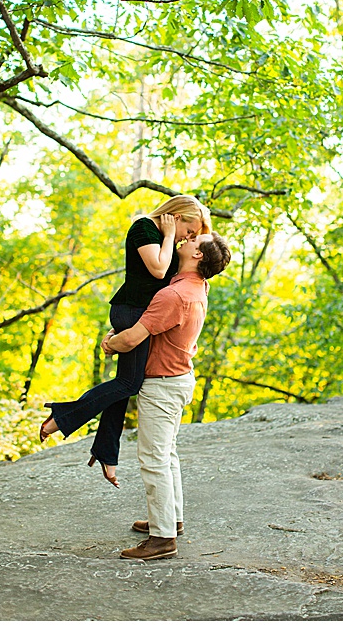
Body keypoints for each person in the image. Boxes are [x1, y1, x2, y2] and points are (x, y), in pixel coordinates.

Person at [37, 195, 210, 486]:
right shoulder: (145, 228)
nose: (186, 238)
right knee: (129, 383)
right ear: (177, 216)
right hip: (132, 312)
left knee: (125, 384)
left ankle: (106, 452)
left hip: (141, 315)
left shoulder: (168, 239)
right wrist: (170, 235)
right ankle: (64, 417)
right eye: (188, 231)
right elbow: (158, 269)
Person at [105, 229, 231, 560]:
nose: (186, 240)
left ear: (198, 255)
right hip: (179, 379)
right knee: (167, 453)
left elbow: (131, 339)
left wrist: (109, 343)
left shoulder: (173, 295)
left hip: (162, 385)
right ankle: (171, 520)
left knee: (153, 459)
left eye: (194, 241)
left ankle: (162, 539)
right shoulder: (197, 287)